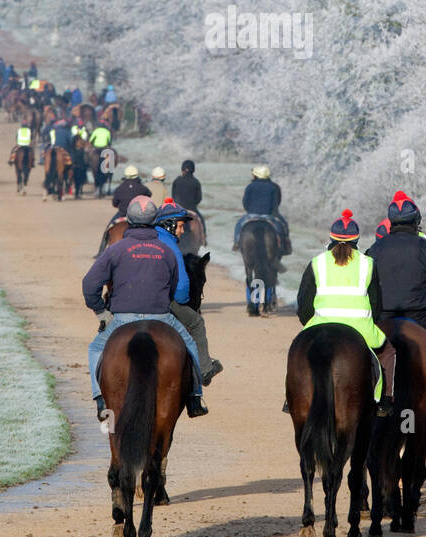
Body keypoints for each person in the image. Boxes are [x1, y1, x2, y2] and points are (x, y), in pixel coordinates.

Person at [82, 197, 207, 421]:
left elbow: (90, 284)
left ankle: (100, 399)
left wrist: (101, 312)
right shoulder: (168, 251)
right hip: (161, 317)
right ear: (154, 220)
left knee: (95, 348)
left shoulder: (116, 250)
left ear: (129, 218)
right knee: (189, 343)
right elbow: (177, 294)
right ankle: (196, 397)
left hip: (121, 318)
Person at [366, 192, 426, 426]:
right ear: (415, 220)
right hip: (417, 314)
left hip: (382, 316)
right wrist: (423, 303)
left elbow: (368, 286)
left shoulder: (375, 249)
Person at [295, 209, 395, 417]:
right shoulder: (368, 263)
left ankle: (291, 397)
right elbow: (376, 304)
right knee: (388, 352)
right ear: (356, 239)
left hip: (321, 326)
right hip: (360, 328)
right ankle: (384, 400)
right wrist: (370, 321)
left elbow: (303, 304)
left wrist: (310, 322)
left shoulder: (317, 262)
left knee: (298, 354)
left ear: (332, 238)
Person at [155, 199, 223, 385]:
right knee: (197, 323)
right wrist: (183, 300)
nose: (182, 231)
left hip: (130, 299)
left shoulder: (142, 238)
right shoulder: (170, 245)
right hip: (162, 300)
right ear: (168, 225)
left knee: (101, 345)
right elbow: (182, 289)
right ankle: (205, 369)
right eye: (180, 226)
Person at [233, 165, 292, 255]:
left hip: (252, 214)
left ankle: (237, 243)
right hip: (269, 215)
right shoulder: (273, 187)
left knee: (238, 225)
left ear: (256, 176)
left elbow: (245, 202)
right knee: (284, 225)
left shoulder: (250, 186)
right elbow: (276, 203)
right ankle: (286, 244)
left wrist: (251, 210)